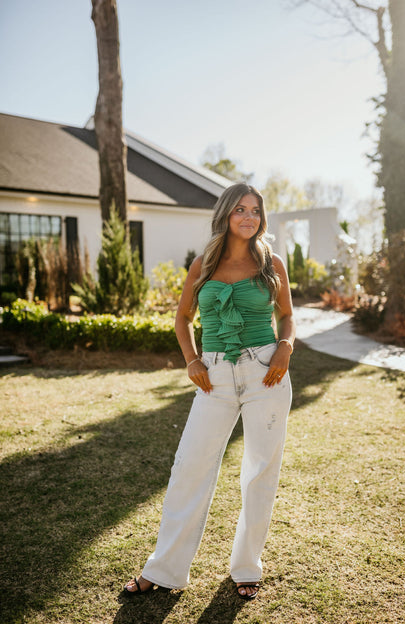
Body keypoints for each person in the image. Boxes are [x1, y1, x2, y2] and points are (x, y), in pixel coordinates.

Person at [124, 182, 295, 600]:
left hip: (266, 374)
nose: (249, 217)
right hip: (214, 376)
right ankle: (163, 569)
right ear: (225, 215)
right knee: (190, 468)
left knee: (260, 471)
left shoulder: (271, 262)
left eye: (255, 210)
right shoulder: (203, 263)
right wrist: (192, 360)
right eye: (240, 209)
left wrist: (285, 347)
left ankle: (246, 566)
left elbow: (287, 315)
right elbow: (182, 318)